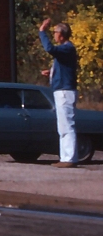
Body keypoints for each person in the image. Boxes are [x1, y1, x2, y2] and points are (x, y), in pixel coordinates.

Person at [39, 18, 79, 167]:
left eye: (55, 32)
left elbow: (50, 49)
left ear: (62, 34)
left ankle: (69, 158)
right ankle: (65, 157)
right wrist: (51, 73)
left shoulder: (67, 48)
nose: (54, 35)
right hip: (62, 90)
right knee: (62, 125)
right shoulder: (65, 50)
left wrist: (42, 31)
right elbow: (65, 69)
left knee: (67, 125)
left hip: (65, 91)